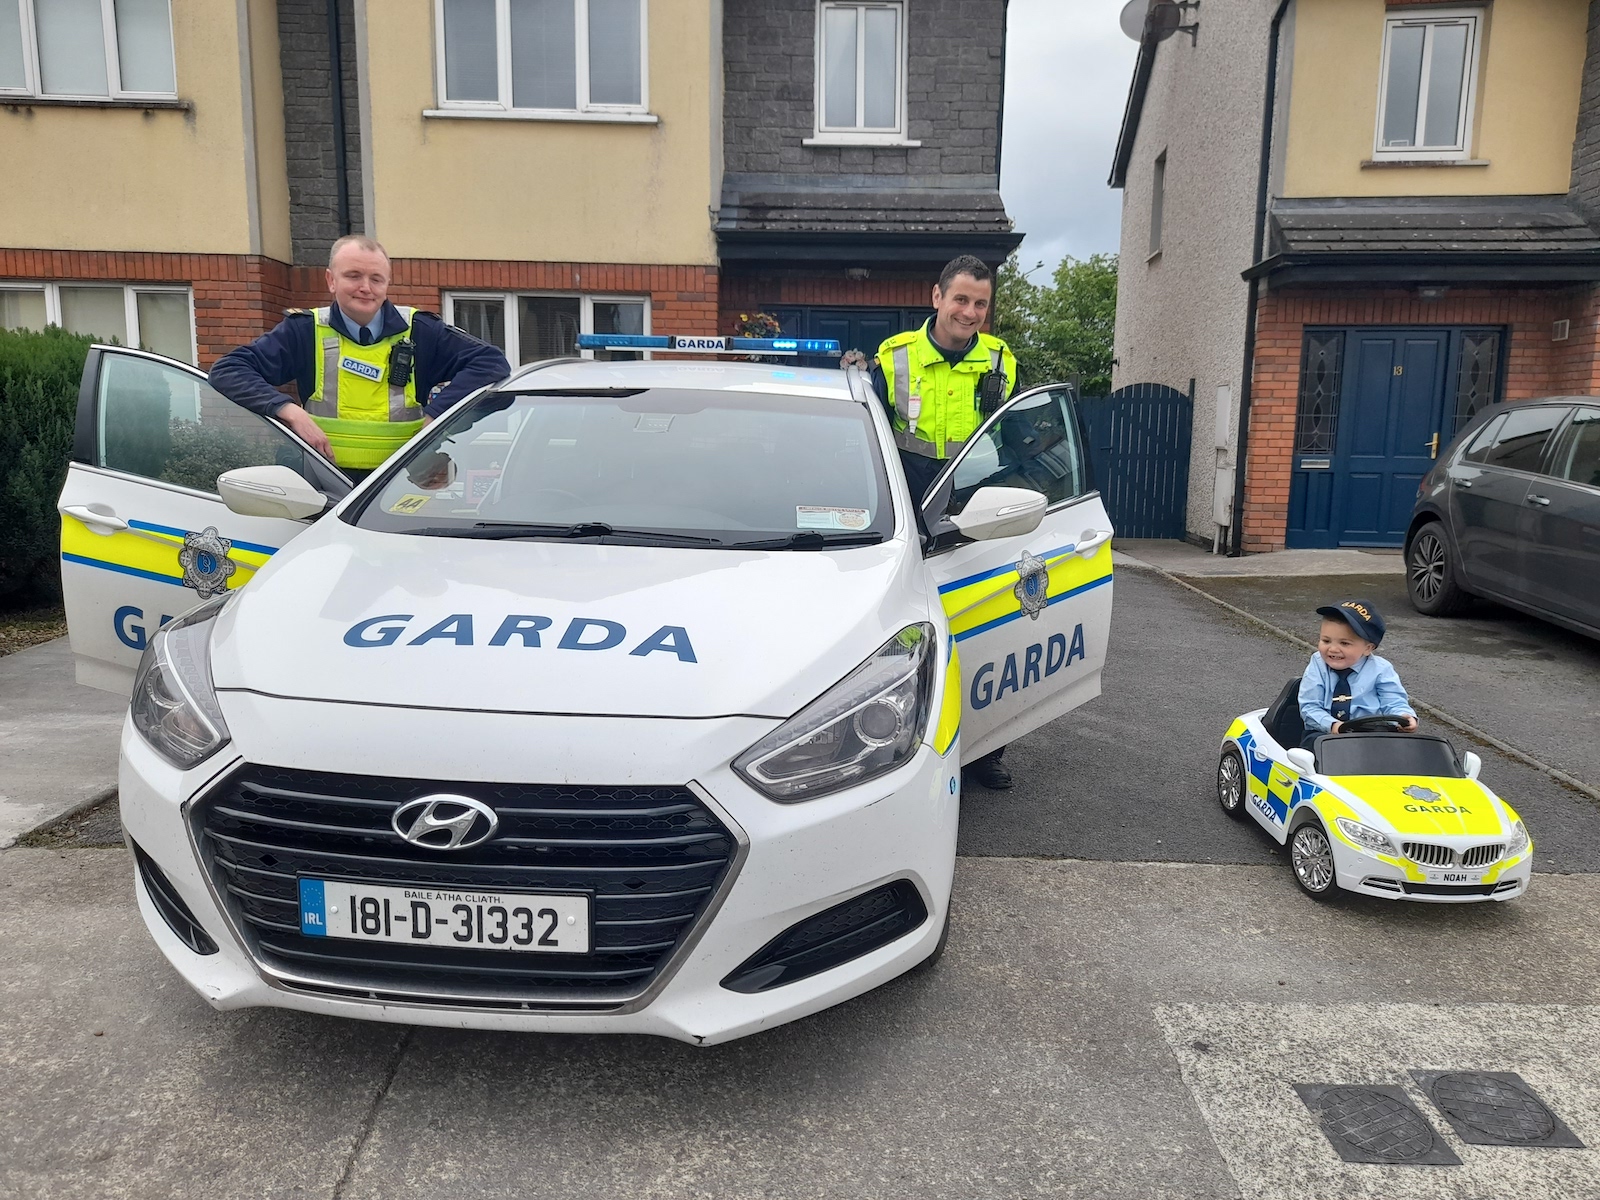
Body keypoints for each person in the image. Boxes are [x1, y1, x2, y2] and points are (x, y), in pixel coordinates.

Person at [846, 255, 1019, 791]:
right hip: (908, 505)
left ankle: (985, 748)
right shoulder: (895, 356)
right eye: (961, 299)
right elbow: (866, 438)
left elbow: (1012, 442)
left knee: (983, 624)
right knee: (904, 628)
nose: (970, 312)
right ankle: (888, 737)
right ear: (937, 297)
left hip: (973, 508)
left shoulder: (1000, 360)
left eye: (980, 303)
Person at [208, 234, 510, 481]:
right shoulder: (304, 331)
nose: (366, 287)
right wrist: (289, 412)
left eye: (376, 279)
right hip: (324, 486)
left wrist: (436, 418)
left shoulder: (421, 331)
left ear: (388, 283)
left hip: (401, 485)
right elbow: (229, 369)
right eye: (353, 276)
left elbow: (491, 363)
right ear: (331, 280)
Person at [1298, 599, 1417, 749]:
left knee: (1402, 749)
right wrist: (1333, 726)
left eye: (1344, 643)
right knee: (1313, 744)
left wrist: (1405, 716)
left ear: (1368, 648)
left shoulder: (1381, 669)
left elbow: (1393, 701)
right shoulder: (1317, 664)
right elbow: (1309, 707)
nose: (1333, 649)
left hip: (1371, 736)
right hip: (1325, 733)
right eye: (1326, 641)